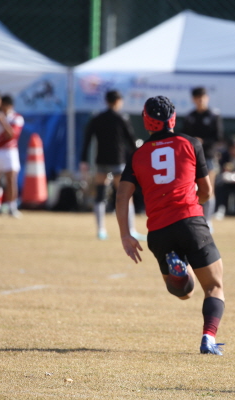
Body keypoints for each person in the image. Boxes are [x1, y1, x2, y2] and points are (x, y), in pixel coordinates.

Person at [116, 96, 226, 355]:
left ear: (146, 121)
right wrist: (193, 203)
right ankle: (208, 338)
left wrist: (125, 235)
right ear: (173, 118)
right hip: (190, 222)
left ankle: (180, 271)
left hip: (159, 231)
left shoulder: (138, 154)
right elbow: (207, 191)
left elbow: (122, 196)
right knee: (214, 287)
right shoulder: (191, 143)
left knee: (183, 292)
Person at [80, 90, 142, 240]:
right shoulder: (122, 117)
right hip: (118, 162)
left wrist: (84, 160)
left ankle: (101, 229)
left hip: (101, 161)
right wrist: (138, 154)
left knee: (100, 195)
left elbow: (87, 139)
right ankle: (131, 229)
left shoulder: (97, 118)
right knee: (125, 196)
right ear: (118, 101)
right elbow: (131, 140)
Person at [183, 87, 224, 230]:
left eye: (202, 97)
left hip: (208, 157)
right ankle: (193, 218)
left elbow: (218, 137)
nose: (200, 100)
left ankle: (208, 220)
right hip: (191, 158)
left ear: (207, 98)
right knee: (190, 188)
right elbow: (184, 135)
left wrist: (202, 142)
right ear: (193, 99)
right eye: (197, 98)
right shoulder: (190, 116)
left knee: (208, 188)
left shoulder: (214, 116)